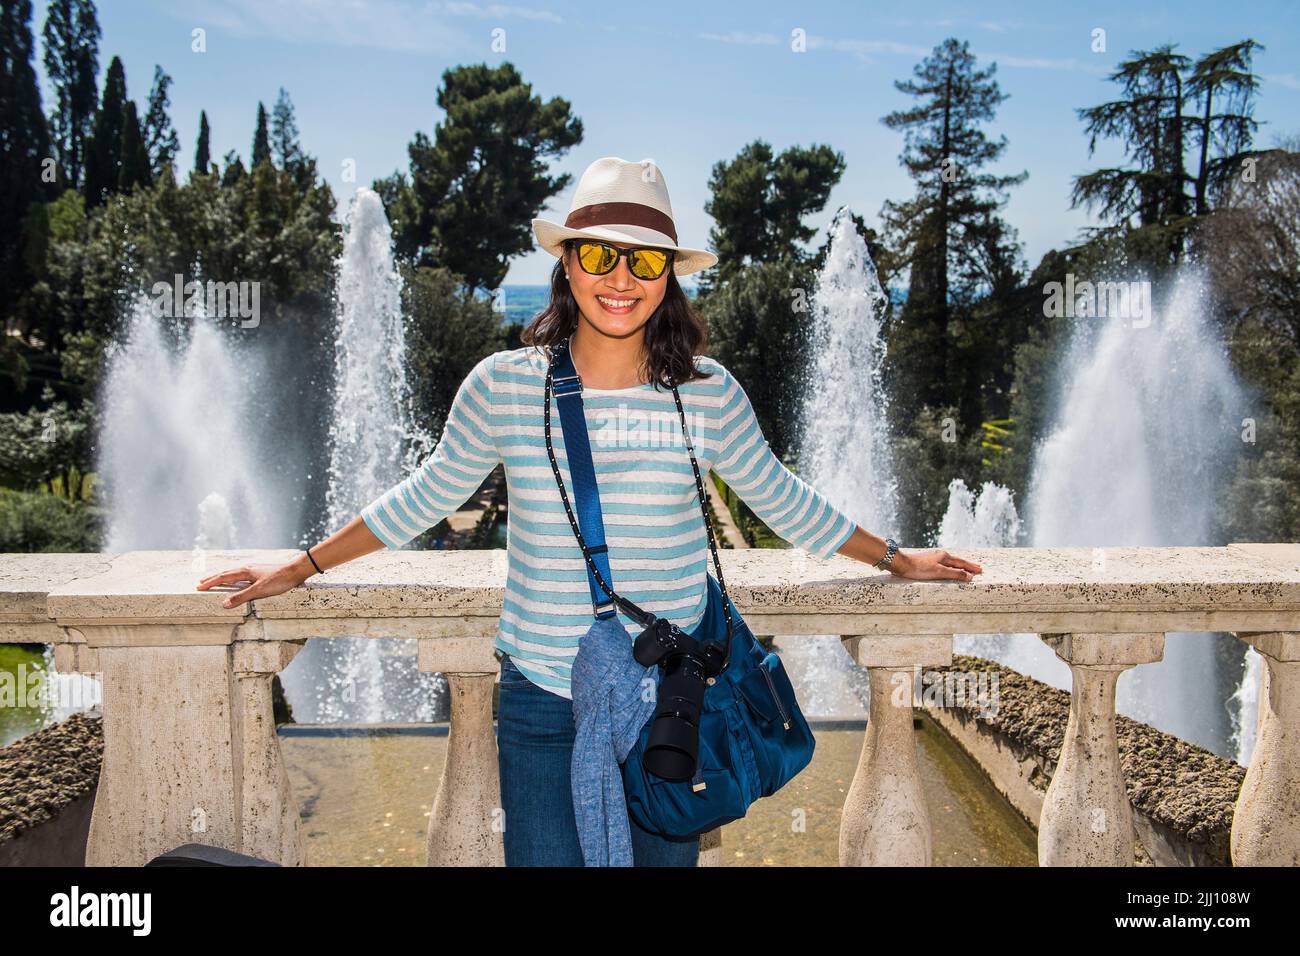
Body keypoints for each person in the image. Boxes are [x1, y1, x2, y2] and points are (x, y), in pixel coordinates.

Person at [196, 156, 982, 866]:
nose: (620, 277)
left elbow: (783, 496)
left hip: (671, 700)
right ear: (567, 265)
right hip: (542, 697)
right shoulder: (505, 386)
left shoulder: (705, 394)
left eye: (643, 261)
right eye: (600, 254)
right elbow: (425, 495)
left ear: (669, 275)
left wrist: (896, 559)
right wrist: (298, 566)